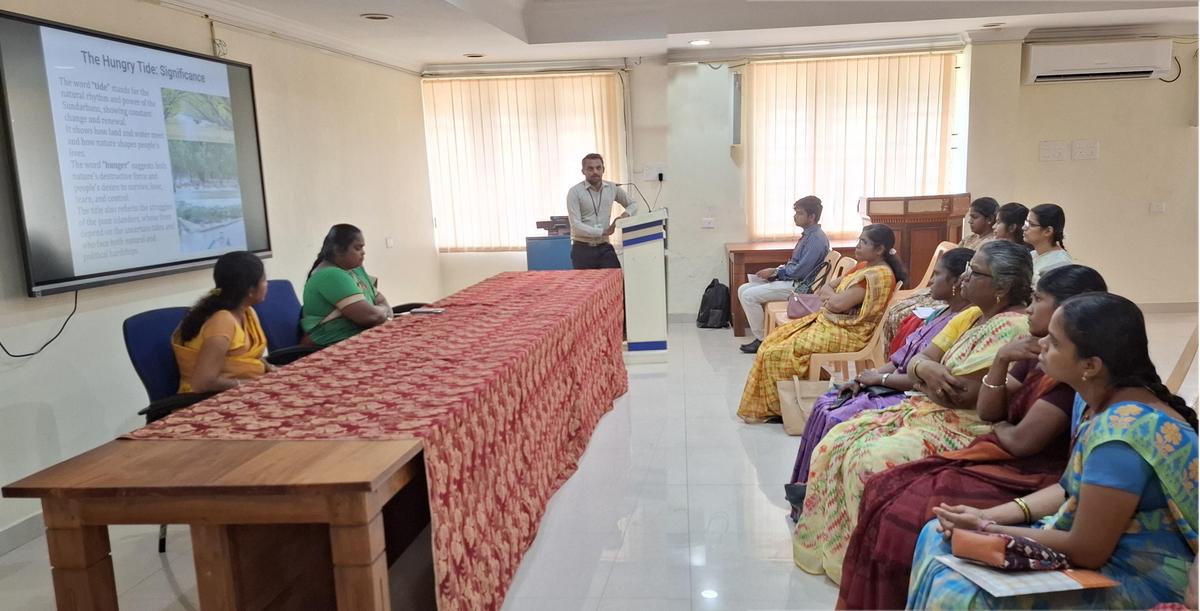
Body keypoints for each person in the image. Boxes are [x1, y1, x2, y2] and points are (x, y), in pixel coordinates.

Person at [837, 265, 1108, 610]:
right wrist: (1000, 360)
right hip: (1009, 460)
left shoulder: (1078, 386)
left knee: (903, 511)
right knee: (884, 486)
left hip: (1029, 470)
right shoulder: (1037, 352)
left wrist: (989, 520)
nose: (1028, 308)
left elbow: (1019, 441)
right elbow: (992, 412)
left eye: (1038, 299)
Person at [907, 293, 1198, 610]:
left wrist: (988, 529)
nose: (1041, 344)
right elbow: (1068, 489)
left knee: (960, 592)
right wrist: (984, 516)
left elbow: (1088, 550)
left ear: (1090, 365)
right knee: (936, 535)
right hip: (1107, 550)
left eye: (1055, 342)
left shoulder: (1121, 435)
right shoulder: (1100, 402)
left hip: (1139, 576)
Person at [791, 240, 1032, 584]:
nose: (964, 279)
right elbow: (924, 359)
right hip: (927, 408)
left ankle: (867, 570)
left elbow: (964, 395)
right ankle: (835, 555)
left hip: (965, 427)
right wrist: (925, 372)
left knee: (869, 460)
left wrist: (924, 375)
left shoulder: (1011, 327)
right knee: (836, 441)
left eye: (974, 273)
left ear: (1002, 286)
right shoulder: (974, 315)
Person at [784, 247, 974, 515]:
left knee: (840, 419)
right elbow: (902, 358)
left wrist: (880, 378)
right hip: (895, 380)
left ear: (957, 283)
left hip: (913, 394)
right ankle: (813, 492)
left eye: (938, 275)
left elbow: (922, 377)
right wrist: (864, 378)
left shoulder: (963, 322)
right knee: (826, 403)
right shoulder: (939, 313)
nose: (930, 281)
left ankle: (830, 505)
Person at [736, 224, 904, 423]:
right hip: (832, 321)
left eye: (863, 242)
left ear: (880, 249)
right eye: (859, 240)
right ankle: (782, 401)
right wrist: (831, 298)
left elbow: (836, 302)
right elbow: (828, 288)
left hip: (851, 332)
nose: (857, 245)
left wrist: (831, 299)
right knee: (771, 341)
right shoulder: (865, 265)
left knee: (777, 352)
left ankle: (783, 408)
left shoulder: (877, 275)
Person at [880, 197, 1000, 348]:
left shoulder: (991, 245)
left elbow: (964, 269)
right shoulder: (969, 238)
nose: (970, 221)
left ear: (989, 220)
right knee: (897, 308)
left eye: (975, 217)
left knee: (906, 316)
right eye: (970, 217)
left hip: (958, 288)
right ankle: (897, 357)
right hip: (949, 281)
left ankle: (909, 353)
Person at [737, 196, 830, 353]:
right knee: (743, 289)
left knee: (748, 296)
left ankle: (763, 340)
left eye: (800, 213)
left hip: (799, 287)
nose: (795, 216)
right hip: (792, 280)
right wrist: (776, 271)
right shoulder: (808, 235)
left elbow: (801, 271)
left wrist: (776, 272)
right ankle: (765, 337)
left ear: (812, 217)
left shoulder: (815, 239)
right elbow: (795, 265)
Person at [172, 251, 271, 393]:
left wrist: (270, 369)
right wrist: (252, 384)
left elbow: (248, 359)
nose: (267, 285)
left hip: (240, 391)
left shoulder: (248, 312)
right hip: (205, 401)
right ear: (250, 290)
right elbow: (203, 383)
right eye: (264, 280)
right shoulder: (222, 322)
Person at [301, 224, 393, 347]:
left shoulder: (355, 270)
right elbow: (371, 317)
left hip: (360, 338)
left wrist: (382, 313)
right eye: (357, 248)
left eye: (362, 248)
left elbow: (380, 300)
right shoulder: (331, 275)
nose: (363, 252)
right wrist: (383, 311)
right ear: (338, 251)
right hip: (333, 345)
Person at [566, 153, 640, 269]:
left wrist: (625, 215)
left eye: (598, 168)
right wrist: (602, 231)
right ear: (583, 171)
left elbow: (633, 204)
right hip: (582, 248)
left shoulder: (611, 188)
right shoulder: (575, 192)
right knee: (587, 286)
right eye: (590, 168)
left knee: (616, 283)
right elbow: (575, 225)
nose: (595, 171)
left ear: (603, 169)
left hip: (604, 247)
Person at [1026, 203, 1072, 284]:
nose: (1024, 228)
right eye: (1026, 223)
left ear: (1048, 231)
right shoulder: (1033, 254)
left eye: (1031, 225)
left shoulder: (1060, 263)